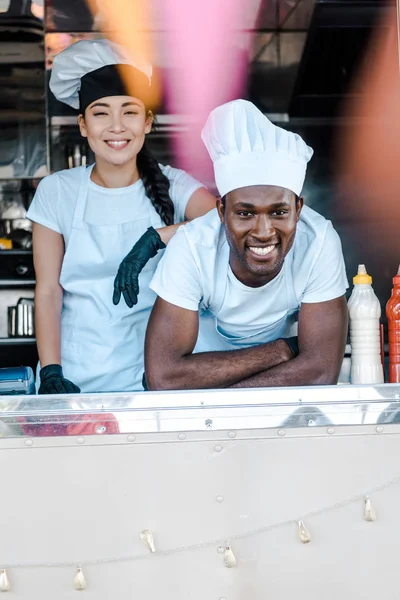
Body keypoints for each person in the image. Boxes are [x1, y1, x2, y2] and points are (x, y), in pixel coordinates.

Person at [27, 39, 216, 394]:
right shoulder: (56, 192)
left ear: (147, 122)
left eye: (129, 112)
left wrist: (158, 237)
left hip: (155, 373)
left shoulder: (175, 185)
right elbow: (49, 290)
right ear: (83, 125)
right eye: (101, 113)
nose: (117, 126)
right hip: (75, 371)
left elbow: (229, 224)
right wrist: (51, 371)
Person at [145, 99, 348, 390]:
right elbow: (164, 378)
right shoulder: (192, 247)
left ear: (299, 209)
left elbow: (320, 372)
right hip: (200, 415)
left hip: (209, 396)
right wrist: (282, 351)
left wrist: (216, 392)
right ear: (220, 212)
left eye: (279, 212)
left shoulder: (318, 242)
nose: (264, 232)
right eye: (245, 213)